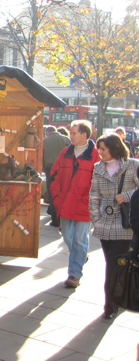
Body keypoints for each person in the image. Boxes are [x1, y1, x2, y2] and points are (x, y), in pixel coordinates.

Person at [89, 133, 139, 319]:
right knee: (115, 264)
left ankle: (110, 305)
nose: (99, 152)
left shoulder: (132, 165)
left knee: (113, 265)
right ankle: (118, 298)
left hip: (125, 224)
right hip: (105, 224)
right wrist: (97, 219)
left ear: (114, 148)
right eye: (99, 149)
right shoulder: (98, 168)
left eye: (103, 149)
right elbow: (94, 195)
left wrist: (125, 196)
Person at [49, 119, 100, 288]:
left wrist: (90, 198)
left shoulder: (95, 155)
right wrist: (56, 197)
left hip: (84, 205)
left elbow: (100, 181)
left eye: (73, 133)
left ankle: (74, 274)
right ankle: (80, 256)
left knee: (79, 239)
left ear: (84, 135)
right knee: (68, 237)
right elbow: (54, 175)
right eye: (70, 132)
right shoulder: (65, 152)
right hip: (64, 204)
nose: (70, 135)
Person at [43, 125, 70, 227]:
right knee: (64, 193)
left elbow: (42, 157)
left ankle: (55, 220)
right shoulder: (66, 139)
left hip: (50, 170)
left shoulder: (45, 141)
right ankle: (64, 218)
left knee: (52, 194)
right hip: (64, 170)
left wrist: (44, 168)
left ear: (48, 132)